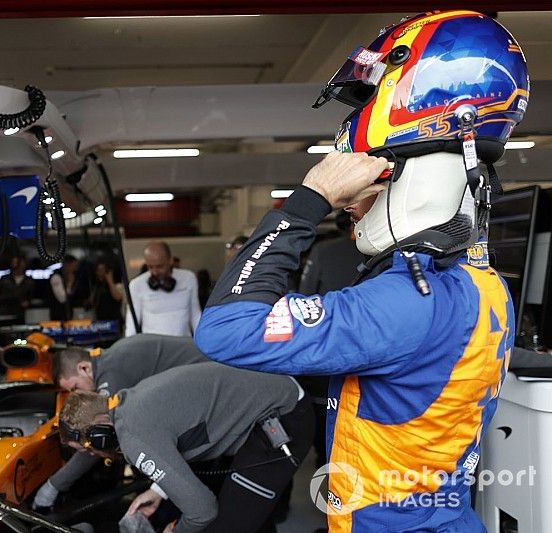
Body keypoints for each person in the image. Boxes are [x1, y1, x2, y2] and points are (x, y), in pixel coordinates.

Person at [195, 11, 526, 532]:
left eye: (370, 181)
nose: (350, 207)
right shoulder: (483, 283)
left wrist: (309, 202)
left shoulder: (407, 301)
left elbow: (224, 330)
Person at [59, 363, 313, 533]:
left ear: (101, 434)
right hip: (271, 405)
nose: (94, 455)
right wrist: (159, 490)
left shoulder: (133, 440)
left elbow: (203, 511)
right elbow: (175, 438)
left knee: (224, 527)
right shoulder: (128, 401)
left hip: (282, 418)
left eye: (89, 448)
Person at [33, 334, 208, 509]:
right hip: (206, 376)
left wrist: (54, 485)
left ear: (83, 368)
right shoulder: (109, 357)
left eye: (75, 388)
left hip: (207, 391)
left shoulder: (111, 375)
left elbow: (96, 438)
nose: (76, 394)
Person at [297, 210, 364, 465]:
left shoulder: (323, 252)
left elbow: (304, 300)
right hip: (371, 355)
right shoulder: (389, 253)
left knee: (325, 428)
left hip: (327, 354)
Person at [125, 241, 200, 337]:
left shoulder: (189, 278)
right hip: (153, 348)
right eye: (150, 267)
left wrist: (203, 345)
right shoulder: (136, 285)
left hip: (183, 346)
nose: (155, 272)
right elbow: (132, 324)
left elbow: (195, 315)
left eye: (159, 266)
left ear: (170, 261)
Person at [89, 257, 124, 323]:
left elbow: (118, 297)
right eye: (98, 270)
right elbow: (93, 302)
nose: (100, 273)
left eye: (102, 270)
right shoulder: (97, 286)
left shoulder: (117, 284)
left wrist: (110, 280)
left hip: (114, 320)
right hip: (100, 320)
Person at [49, 255, 78, 321]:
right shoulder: (56, 277)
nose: (75, 269)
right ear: (67, 265)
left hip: (68, 316)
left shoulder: (70, 278)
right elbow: (62, 298)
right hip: (58, 318)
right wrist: (69, 284)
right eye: (74, 266)